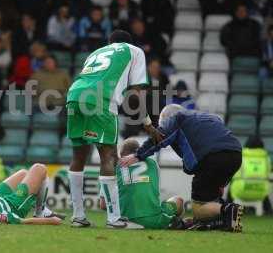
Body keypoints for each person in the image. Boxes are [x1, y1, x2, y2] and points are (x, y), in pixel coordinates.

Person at [66, 30, 162, 228]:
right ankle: (114, 219)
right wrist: (148, 125)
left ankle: (78, 216)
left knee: (78, 157)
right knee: (108, 157)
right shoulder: (134, 51)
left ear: (110, 42)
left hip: (74, 95)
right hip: (100, 100)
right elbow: (135, 96)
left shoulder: (96, 52)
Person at [119, 104, 244, 232]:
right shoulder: (211, 118)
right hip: (236, 154)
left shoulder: (176, 119)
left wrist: (138, 155)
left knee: (198, 208)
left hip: (211, 158)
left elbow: (159, 138)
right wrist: (222, 183)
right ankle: (222, 220)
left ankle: (228, 209)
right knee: (209, 196)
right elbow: (214, 143)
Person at [100, 138, 185, 229]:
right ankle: (175, 222)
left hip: (122, 221)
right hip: (153, 220)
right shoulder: (153, 163)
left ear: (121, 154)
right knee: (178, 200)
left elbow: (103, 205)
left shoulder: (111, 168)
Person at [0, 163, 64, 225]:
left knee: (23, 173)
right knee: (39, 168)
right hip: (13, 205)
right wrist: (51, 221)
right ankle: (40, 212)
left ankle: (42, 210)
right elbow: (20, 221)